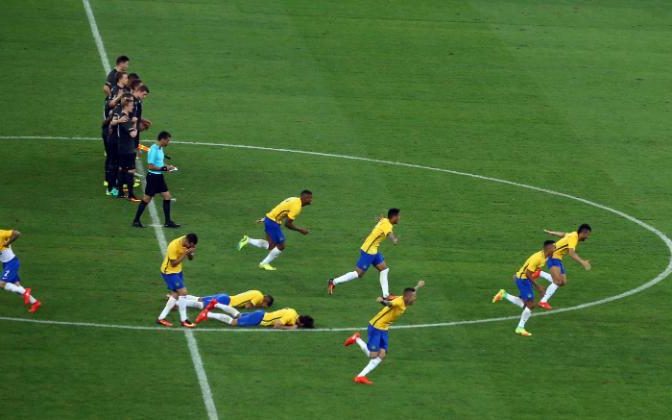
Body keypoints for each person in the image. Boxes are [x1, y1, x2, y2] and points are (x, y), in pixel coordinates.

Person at [343, 280, 425, 385]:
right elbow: (390, 304)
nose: (415, 299)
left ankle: (360, 377)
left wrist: (418, 286)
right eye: (414, 297)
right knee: (373, 355)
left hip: (384, 329)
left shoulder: (405, 299)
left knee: (382, 354)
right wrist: (382, 301)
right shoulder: (399, 302)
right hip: (376, 327)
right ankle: (356, 339)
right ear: (407, 298)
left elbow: (409, 292)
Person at [328, 209, 400, 298]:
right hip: (369, 251)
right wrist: (394, 240)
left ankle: (386, 295)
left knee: (384, 269)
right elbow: (389, 234)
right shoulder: (387, 225)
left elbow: (381, 219)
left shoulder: (385, 220)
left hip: (373, 250)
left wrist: (379, 219)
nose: (399, 218)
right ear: (394, 217)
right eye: (398, 216)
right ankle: (333, 281)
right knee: (358, 273)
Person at [492, 240, 556, 336]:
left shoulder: (544, 257)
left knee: (527, 304)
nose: (555, 248)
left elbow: (529, 267)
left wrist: (518, 273)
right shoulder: (538, 258)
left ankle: (504, 294)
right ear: (548, 248)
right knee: (530, 305)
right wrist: (538, 286)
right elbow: (528, 273)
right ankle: (520, 328)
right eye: (553, 247)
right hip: (523, 280)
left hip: (523, 279)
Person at [237, 191, 313, 271]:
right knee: (281, 246)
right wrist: (300, 230)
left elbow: (279, 208)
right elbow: (287, 224)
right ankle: (263, 264)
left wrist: (266, 218)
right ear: (303, 198)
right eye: (309, 198)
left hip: (270, 219)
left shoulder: (293, 199)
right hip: (272, 222)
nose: (311, 200)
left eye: (311, 198)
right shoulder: (296, 207)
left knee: (271, 246)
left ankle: (248, 240)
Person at [537, 224, 592, 310]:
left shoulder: (573, 234)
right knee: (558, 281)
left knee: (563, 282)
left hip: (558, 258)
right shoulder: (574, 238)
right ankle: (543, 301)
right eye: (587, 235)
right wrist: (583, 262)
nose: (587, 237)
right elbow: (571, 253)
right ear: (583, 233)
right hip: (553, 256)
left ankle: (539, 273)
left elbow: (563, 234)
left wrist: (552, 233)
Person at [132, 131, 179, 228]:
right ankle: (136, 220)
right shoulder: (153, 150)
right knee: (146, 199)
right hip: (153, 177)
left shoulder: (160, 148)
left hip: (159, 177)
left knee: (167, 196)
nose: (168, 143)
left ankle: (168, 222)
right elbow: (150, 166)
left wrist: (168, 167)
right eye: (168, 140)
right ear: (162, 139)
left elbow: (160, 163)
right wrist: (164, 169)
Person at [156, 233, 198, 328]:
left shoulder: (189, 243)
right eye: (189, 245)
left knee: (175, 294)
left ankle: (161, 318)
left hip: (178, 271)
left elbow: (191, 258)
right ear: (187, 241)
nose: (190, 247)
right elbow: (173, 263)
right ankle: (184, 320)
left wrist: (190, 253)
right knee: (183, 292)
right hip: (169, 272)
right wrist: (185, 253)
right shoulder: (173, 245)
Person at [0, 229, 41, 313]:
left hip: (12, 263)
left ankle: (26, 291)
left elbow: (17, 233)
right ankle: (35, 303)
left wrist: (7, 243)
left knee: (1, 284)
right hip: (6, 264)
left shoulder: (1, 233)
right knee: (16, 285)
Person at [112, 96, 140, 202]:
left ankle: (120, 193)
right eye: (132, 105)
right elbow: (133, 134)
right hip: (127, 149)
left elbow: (113, 123)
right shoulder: (125, 119)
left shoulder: (121, 116)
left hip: (121, 147)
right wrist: (135, 123)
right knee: (130, 171)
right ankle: (130, 194)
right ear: (127, 105)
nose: (133, 107)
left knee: (121, 169)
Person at [192, 291, 275, 324]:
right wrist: (255, 306)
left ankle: (181, 298)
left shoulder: (257, 292)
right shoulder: (259, 297)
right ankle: (211, 311)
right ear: (266, 302)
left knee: (199, 299)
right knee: (201, 305)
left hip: (226, 297)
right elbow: (247, 306)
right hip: (227, 302)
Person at [199, 307, 314, 329]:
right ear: (302, 324)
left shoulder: (293, 312)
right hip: (259, 319)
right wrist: (290, 328)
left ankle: (216, 304)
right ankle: (208, 314)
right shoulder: (290, 317)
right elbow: (276, 325)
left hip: (261, 314)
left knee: (238, 315)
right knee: (234, 322)